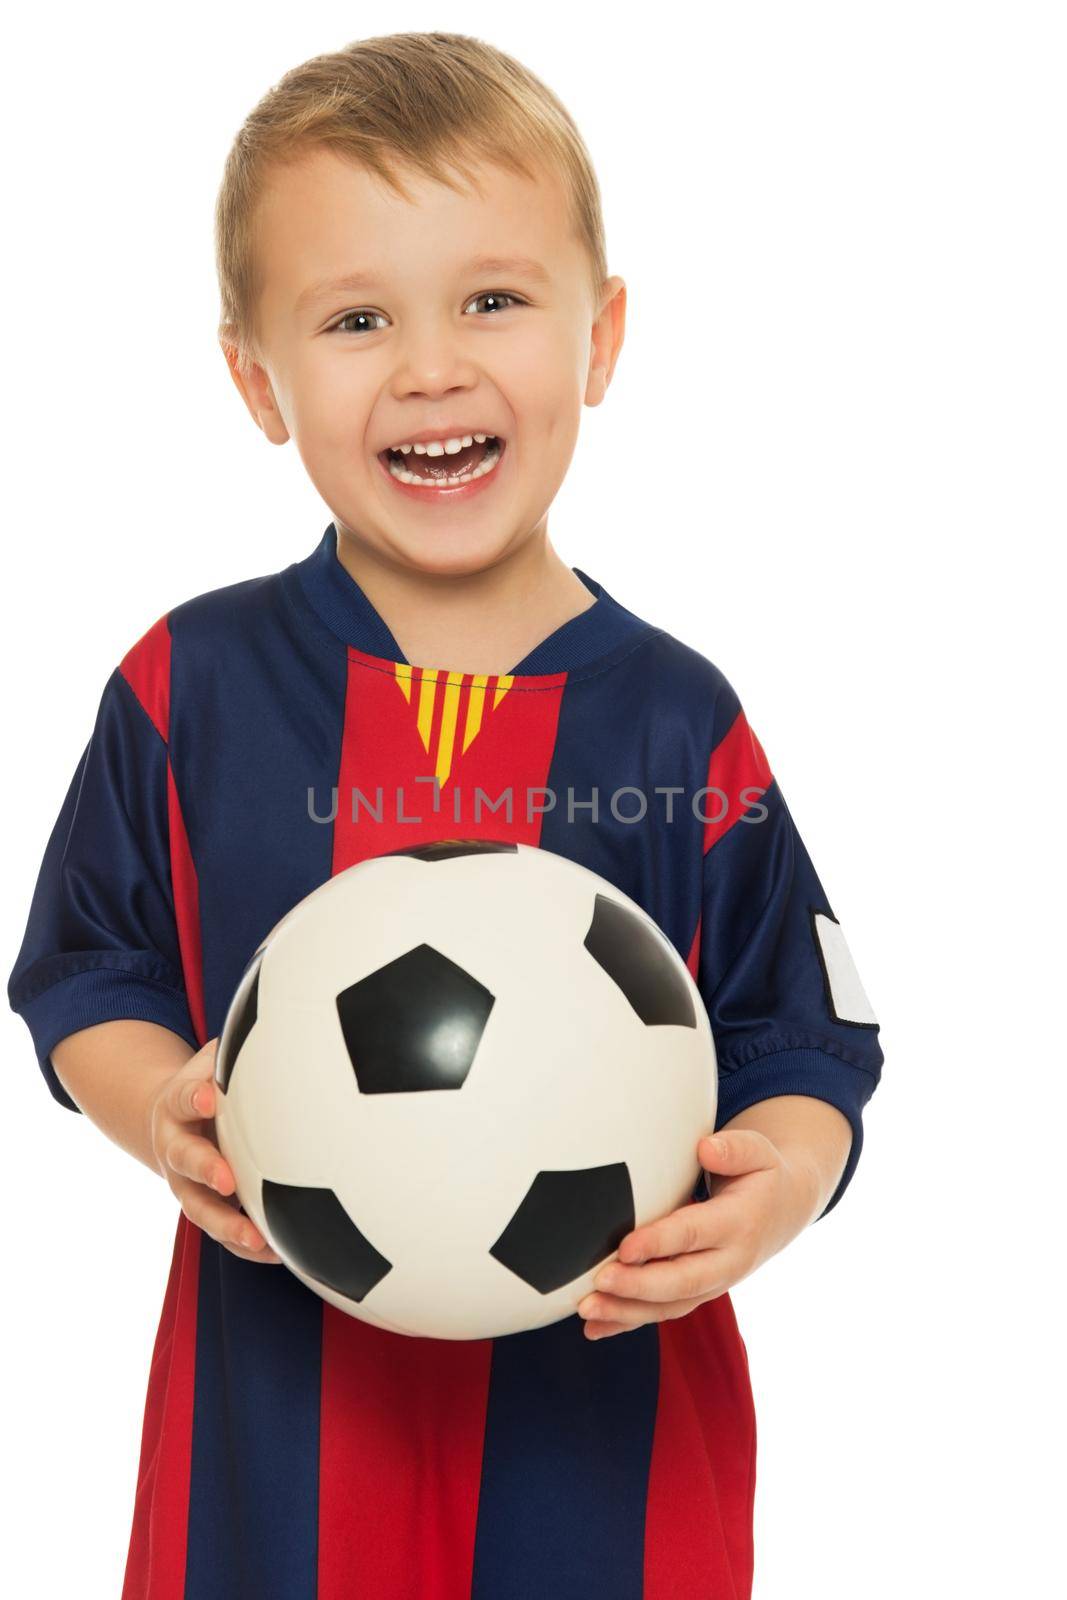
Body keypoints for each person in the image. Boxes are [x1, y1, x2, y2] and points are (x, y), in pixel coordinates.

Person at [7, 30, 883, 1600]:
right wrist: (158, 1113)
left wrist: (779, 1189)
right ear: (255, 381)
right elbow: (88, 969)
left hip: (603, 1451)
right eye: (356, 319)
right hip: (271, 1453)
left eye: (493, 299)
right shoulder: (186, 685)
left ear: (602, 338)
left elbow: (802, 1035)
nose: (430, 365)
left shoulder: (677, 717)